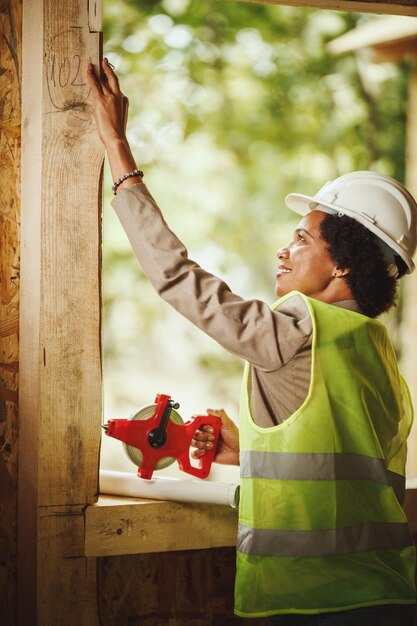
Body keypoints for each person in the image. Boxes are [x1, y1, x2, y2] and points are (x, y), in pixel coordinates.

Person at [87, 59, 417, 625]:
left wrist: (118, 147)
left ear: (341, 261)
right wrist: (254, 457)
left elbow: (176, 277)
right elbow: (352, 487)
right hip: (387, 595)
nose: (282, 251)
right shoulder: (374, 350)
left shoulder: (297, 330)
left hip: (313, 602)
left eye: (301, 238)